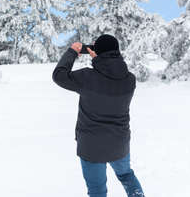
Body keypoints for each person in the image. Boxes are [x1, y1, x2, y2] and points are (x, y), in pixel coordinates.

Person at [52, 34, 144, 197]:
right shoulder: (130, 79)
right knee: (126, 175)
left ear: (97, 52)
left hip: (91, 147)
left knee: (97, 191)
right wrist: (99, 57)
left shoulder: (87, 77)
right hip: (119, 144)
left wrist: (72, 52)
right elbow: (110, 73)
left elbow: (59, 75)